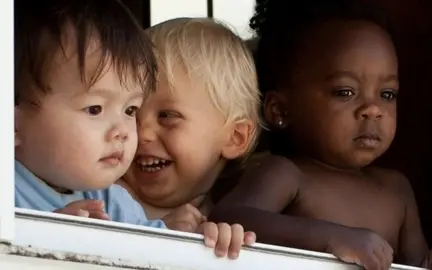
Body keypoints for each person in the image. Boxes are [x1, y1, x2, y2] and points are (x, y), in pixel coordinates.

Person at [209, 0, 432, 269]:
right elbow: (228, 218)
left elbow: (415, 262)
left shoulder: (397, 191)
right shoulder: (285, 174)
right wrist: (330, 238)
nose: (373, 109)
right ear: (281, 110)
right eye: (345, 92)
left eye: (387, 94)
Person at [14, 0, 254, 258]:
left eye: (130, 110)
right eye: (95, 109)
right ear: (12, 123)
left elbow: (157, 255)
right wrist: (38, 234)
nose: (127, 132)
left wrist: (204, 241)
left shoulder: (114, 203)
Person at [117, 17, 261, 258]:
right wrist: (158, 235)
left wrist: (223, 247)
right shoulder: (97, 197)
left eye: (167, 116)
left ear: (234, 138)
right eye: (131, 112)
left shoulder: (225, 219)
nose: (141, 132)